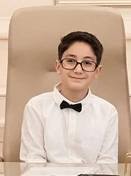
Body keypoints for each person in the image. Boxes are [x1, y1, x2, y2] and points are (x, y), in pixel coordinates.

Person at [20, 31, 118, 163]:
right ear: (58, 66)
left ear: (97, 71)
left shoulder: (108, 112)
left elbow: (107, 164)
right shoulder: (36, 107)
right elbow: (33, 161)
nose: (78, 70)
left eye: (87, 63)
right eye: (71, 61)